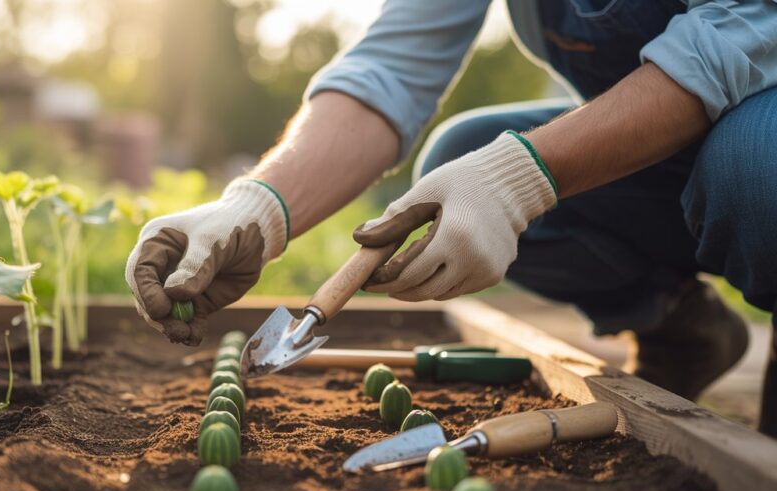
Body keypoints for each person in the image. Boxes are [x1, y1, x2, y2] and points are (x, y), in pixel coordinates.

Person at [125, 1, 777, 436]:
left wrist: (520, 178)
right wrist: (255, 207)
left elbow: (732, 37)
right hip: (669, 143)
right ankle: (679, 329)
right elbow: (391, 68)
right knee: (456, 160)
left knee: (754, 166)